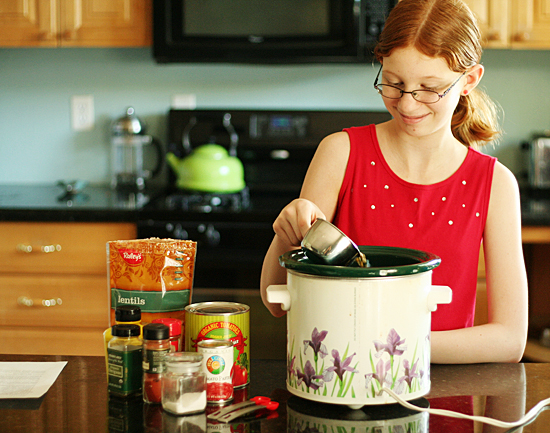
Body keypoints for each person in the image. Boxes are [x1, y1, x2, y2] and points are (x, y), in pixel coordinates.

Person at [260, 0, 528, 364]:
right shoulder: (339, 153)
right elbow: (275, 299)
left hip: (444, 399)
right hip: (342, 380)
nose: (407, 104)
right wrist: (286, 233)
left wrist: (385, 345)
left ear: (468, 81)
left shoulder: (495, 183)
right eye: (393, 83)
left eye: (429, 88)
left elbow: (510, 340)